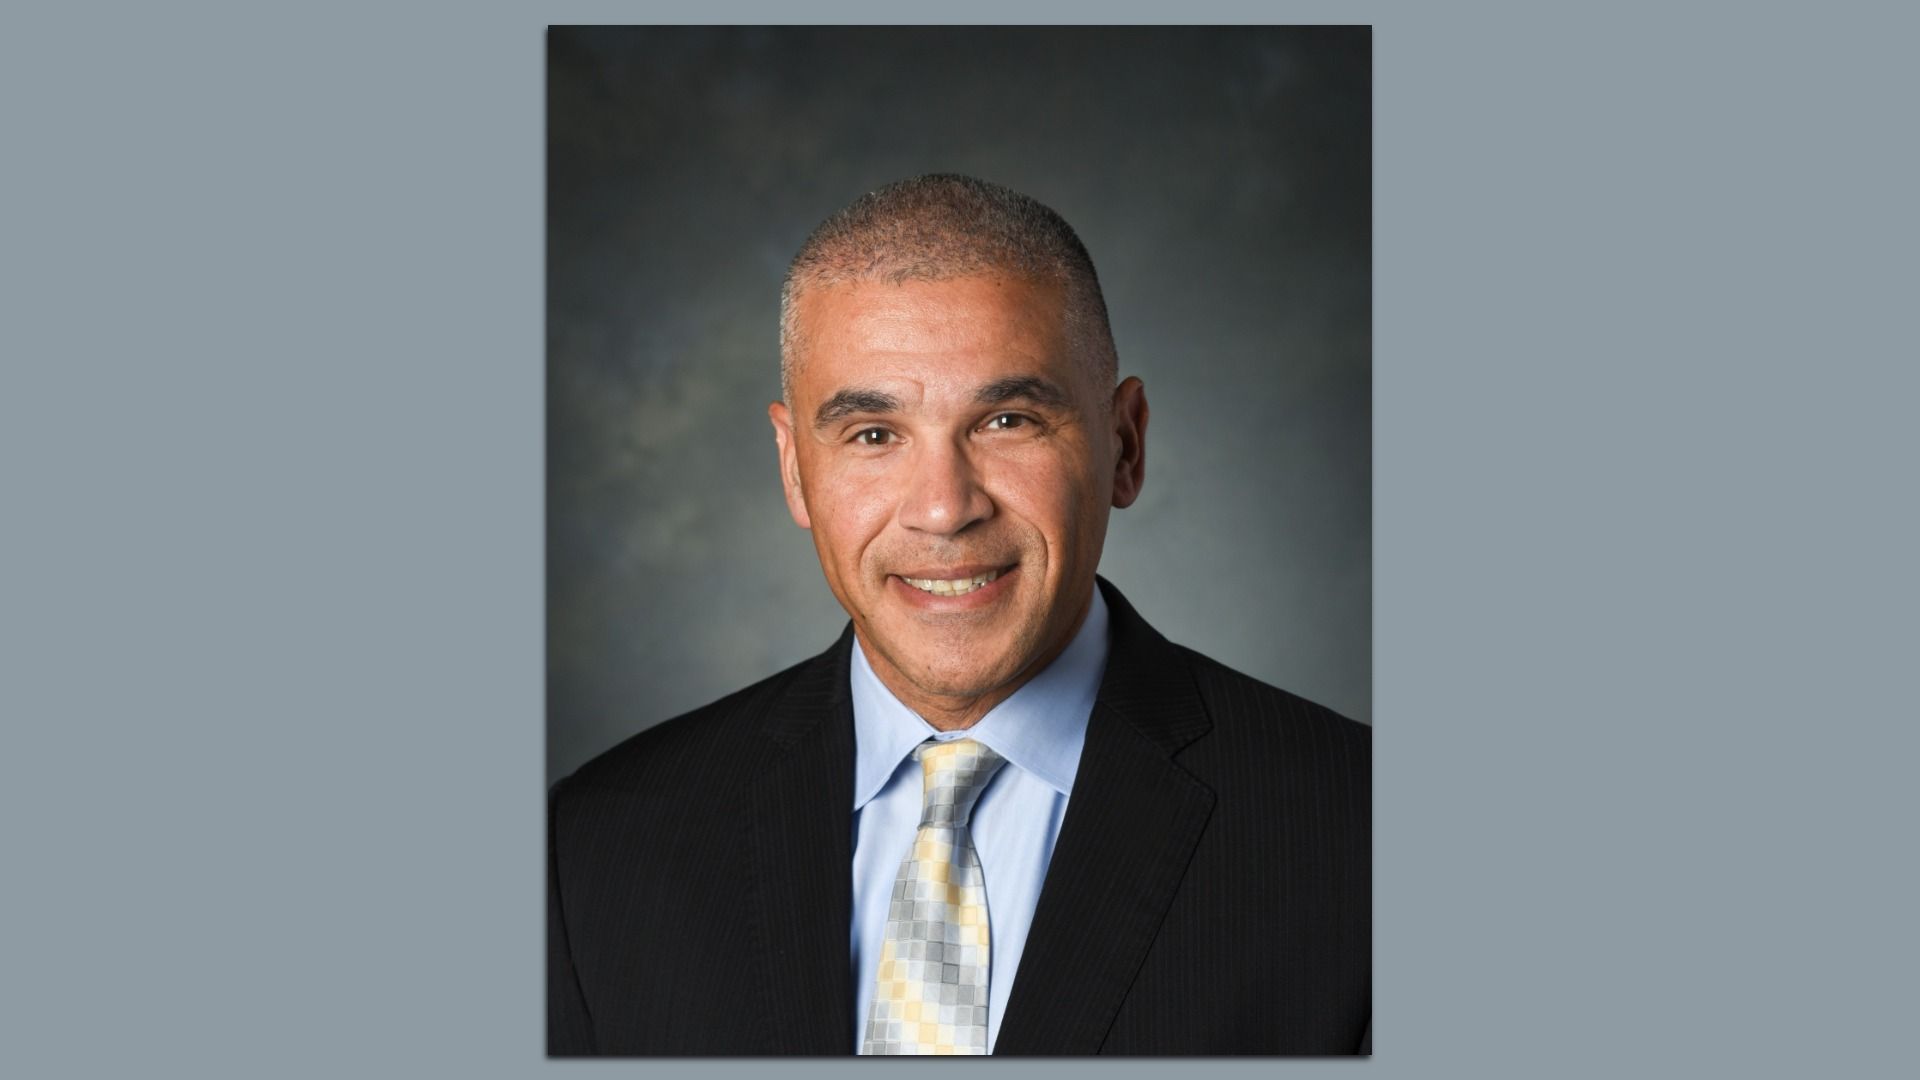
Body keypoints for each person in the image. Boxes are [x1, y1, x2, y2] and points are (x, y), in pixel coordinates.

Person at [548, 174, 1369, 1055]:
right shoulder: (598, 847)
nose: (944, 509)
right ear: (794, 468)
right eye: (873, 434)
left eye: (1008, 419)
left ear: (1124, 444)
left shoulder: (1360, 836)